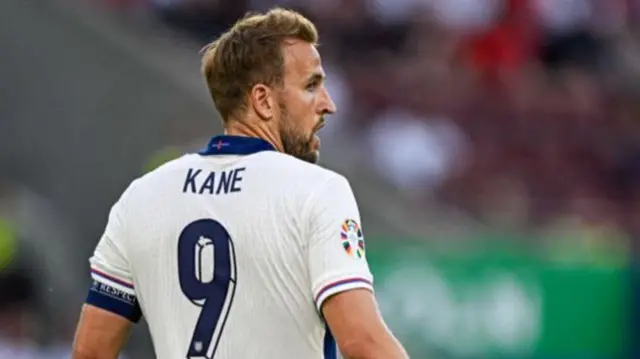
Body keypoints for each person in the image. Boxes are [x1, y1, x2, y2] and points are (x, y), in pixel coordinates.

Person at [71, 7, 408, 359]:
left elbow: (90, 352)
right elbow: (364, 344)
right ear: (263, 100)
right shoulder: (317, 191)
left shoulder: (141, 197)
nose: (328, 104)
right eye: (311, 86)